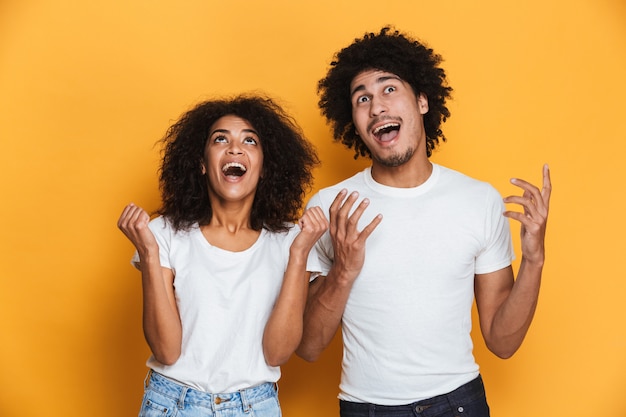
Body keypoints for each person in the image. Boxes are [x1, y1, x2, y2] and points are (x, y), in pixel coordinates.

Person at [296, 27, 551, 417]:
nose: (376, 106)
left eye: (388, 89)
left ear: (422, 101)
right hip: (366, 409)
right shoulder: (331, 206)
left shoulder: (478, 200)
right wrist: (344, 271)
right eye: (361, 98)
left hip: (458, 403)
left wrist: (533, 261)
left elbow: (502, 340)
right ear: (353, 119)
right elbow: (309, 347)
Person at [117, 94, 328, 417]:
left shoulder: (291, 240)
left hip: (256, 406)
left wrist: (299, 255)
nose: (234, 148)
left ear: (265, 167)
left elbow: (277, 353)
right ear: (202, 163)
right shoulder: (163, 234)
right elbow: (167, 350)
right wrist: (148, 252)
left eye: (249, 141)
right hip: (173, 404)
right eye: (220, 139)